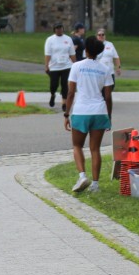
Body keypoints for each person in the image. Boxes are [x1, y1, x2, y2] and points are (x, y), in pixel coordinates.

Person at [64, 37, 114, 194]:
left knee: (77, 145)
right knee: (95, 149)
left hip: (81, 111)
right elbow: (108, 96)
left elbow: (71, 92)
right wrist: (108, 116)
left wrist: (66, 114)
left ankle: (82, 176)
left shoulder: (76, 66)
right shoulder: (105, 69)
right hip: (99, 111)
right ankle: (95, 184)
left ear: (85, 50)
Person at [44, 22, 76, 110]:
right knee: (54, 84)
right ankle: (53, 94)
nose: (59, 30)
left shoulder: (68, 39)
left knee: (65, 84)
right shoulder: (50, 40)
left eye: (61, 28)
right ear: (54, 30)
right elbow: (47, 54)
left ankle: (64, 102)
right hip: (54, 66)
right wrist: (46, 65)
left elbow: (72, 53)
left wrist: (75, 64)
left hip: (66, 65)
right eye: (57, 28)